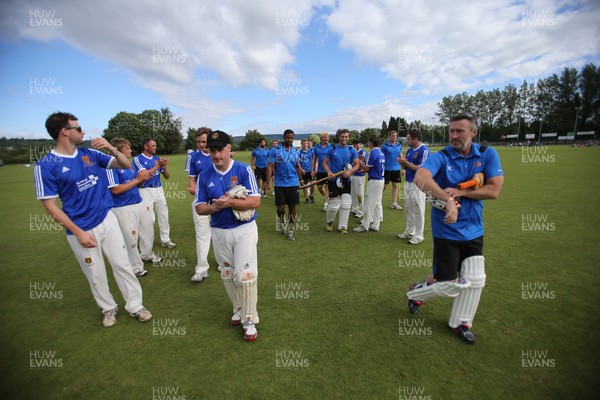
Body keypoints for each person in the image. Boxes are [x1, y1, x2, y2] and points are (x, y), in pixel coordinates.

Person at [34, 112, 152, 328]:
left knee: (122, 264)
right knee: (95, 273)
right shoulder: (46, 165)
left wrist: (111, 147)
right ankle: (108, 308)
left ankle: (135, 305)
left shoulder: (89, 154)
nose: (83, 131)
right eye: (78, 128)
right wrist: (78, 232)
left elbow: (125, 164)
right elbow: (50, 207)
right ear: (64, 131)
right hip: (80, 229)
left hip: (107, 219)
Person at [406, 113, 504, 344]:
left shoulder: (487, 154)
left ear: (473, 132)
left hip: (474, 229)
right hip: (446, 231)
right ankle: (415, 292)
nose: (454, 135)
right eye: (451, 131)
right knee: (448, 285)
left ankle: (461, 323)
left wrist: (462, 193)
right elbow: (421, 178)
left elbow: (494, 190)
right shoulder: (442, 156)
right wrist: (448, 199)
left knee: (475, 279)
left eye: (460, 131)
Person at [194, 130, 261, 341]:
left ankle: (250, 319)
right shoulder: (205, 176)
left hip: (244, 230)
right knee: (228, 273)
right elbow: (199, 207)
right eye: (212, 150)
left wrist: (230, 202)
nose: (216, 155)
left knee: (246, 275)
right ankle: (238, 307)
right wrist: (215, 207)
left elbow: (255, 201)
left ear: (229, 148)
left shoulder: (243, 170)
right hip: (219, 231)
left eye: (220, 149)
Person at [107, 137, 159, 278]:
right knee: (131, 238)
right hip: (123, 207)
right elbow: (115, 190)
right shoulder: (110, 167)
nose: (130, 150)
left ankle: (147, 255)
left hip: (138, 202)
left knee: (148, 232)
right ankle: (136, 266)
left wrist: (142, 180)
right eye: (127, 148)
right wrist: (137, 179)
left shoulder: (128, 165)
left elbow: (137, 184)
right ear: (118, 151)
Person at [133, 138, 176, 249]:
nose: (155, 147)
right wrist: (158, 166)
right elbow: (144, 175)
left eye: (156, 145)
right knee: (149, 219)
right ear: (146, 146)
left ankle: (166, 240)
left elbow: (166, 177)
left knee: (164, 216)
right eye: (153, 145)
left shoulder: (157, 159)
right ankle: (147, 244)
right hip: (145, 191)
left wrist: (164, 168)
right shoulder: (138, 159)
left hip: (159, 189)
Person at [187, 128, 214, 282]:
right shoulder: (193, 157)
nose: (201, 145)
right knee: (202, 236)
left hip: (219, 202)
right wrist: (193, 188)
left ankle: (225, 263)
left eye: (204, 141)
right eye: (198, 142)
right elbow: (192, 178)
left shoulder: (217, 155)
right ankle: (202, 269)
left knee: (219, 234)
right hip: (201, 202)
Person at [323, 129, 361, 234]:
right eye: (342, 136)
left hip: (346, 180)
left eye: (346, 137)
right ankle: (329, 222)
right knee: (334, 204)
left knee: (346, 204)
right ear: (339, 137)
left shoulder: (351, 150)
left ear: (348, 138)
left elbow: (357, 164)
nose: (344, 139)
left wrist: (350, 172)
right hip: (334, 180)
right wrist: (329, 171)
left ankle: (343, 227)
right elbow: (325, 163)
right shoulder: (332, 149)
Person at [268, 129, 303, 241]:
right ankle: (282, 221)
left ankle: (291, 230)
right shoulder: (275, 150)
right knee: (280, 208)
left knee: (292, 207)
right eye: (288, 137)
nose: (290, 139)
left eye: (291, 138)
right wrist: (267, 182)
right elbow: (270, 166)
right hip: (279, 183)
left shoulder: (296, 151)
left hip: (293, 183)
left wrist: (301, 180)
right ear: (284, 137)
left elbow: (297, 166)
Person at [398, 130, 430, 245]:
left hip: (419, 183)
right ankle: (409, 231)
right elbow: (406, 167)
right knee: (409, 207)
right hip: (408, 182)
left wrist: (406, 163)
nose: (407, 141)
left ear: (416, 138)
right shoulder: (410, 150)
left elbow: (422, 169)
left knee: (419, 209)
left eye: (408, 139)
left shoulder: (424, 150)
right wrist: (402, 162)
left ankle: (419, 235)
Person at [353, 136, 385, 232]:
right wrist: (365, 168)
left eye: (369, 142)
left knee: (368, 203)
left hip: (374, 181)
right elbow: (373, 167)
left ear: (371, 142)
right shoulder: (381, 153)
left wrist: (359, 162)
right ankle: (376, 224)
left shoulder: (373, 152)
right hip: (381, 180)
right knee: (377, 202)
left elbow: (367, 168)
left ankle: (365, 225)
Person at [381, 130, 403, 209]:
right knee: (384, 186)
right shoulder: (385, 146)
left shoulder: (399, 145)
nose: (394, 137)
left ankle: (394, 203)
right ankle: (377, 199)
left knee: (395, 186)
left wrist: (403, 168)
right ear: (389, 136)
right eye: (392, 135)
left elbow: (401, 157)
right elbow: (381, 157)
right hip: (387, 169)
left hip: (396, 169)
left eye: (395, 135)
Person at [312, 132, 332, 211]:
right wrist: (313, 170)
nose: (326, 139)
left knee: (327, 187)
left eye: (327, 137)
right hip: (320, 170)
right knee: (319, 187)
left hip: (328, 170)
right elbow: (314, 159)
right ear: (321, 138)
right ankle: (326, 197)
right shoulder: (317, 147)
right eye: (325, 137)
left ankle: (326, 204)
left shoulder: (331, 147)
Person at [350, 139, 366, 218]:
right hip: (352, 174)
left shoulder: (362, 152)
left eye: (357, 144)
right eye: (354, 144)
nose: (355, 145)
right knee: (353, 193)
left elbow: (363, 163)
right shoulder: (352, 151)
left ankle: (361, 211)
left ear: (360, 144)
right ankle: (354, 209)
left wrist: (358, 158)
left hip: (359, 175)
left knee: (359, 193)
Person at [299, 138, 315, 204]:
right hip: (303, 171)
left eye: (306, 143)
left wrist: (314, 169)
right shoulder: (299, 153)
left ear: (308, 144)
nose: (305, 145)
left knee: (313, 184)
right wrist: (301, 169)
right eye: (304, 143)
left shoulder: (311, 151)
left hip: (311, 171)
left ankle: (311, 195)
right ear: (302, 144)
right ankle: (306, 198)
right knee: (304, 185)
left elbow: (315, 160)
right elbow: (298, 163)